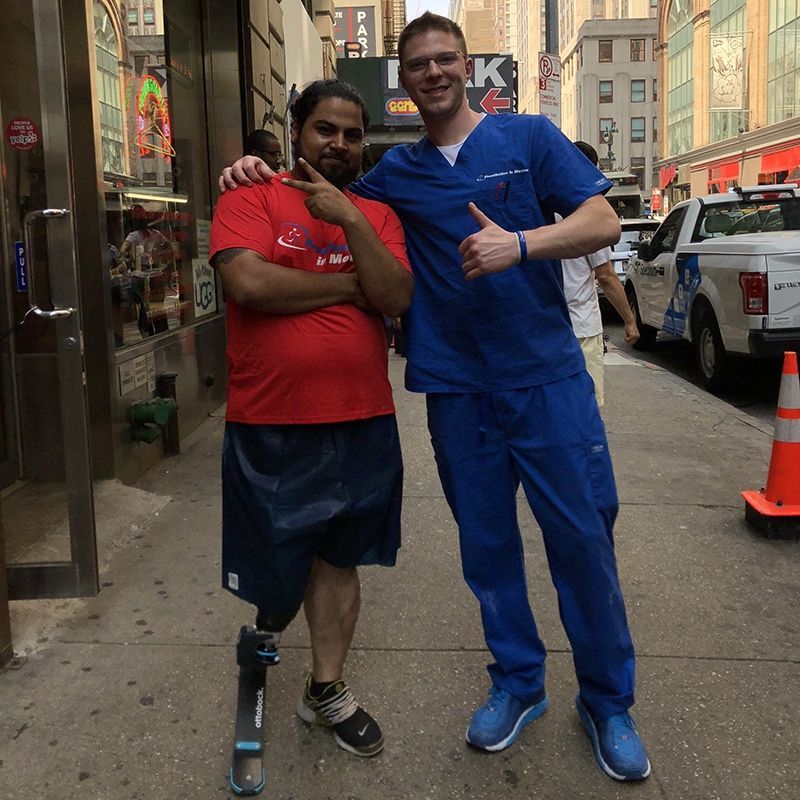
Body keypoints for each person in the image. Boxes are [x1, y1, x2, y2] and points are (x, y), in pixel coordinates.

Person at [219, 14, 650, 782]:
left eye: (445, 58)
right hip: (456, 391)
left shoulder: (527, 139)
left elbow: (601, 218)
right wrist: (248, 169)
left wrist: (520, 243)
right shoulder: (394, 174)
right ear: (405, 78)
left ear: (469, 67)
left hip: (546, 381)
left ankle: (608, 701)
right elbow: (332, 187)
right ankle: (518, 685)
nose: (433, 72)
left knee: (582, 544)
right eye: (417, 63)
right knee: (487, 553)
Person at [210, 79, 413, 758]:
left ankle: (325, 686)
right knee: (275, 569)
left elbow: (394, 296)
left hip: (362, 421)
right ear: (296, 131)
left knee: (340, 558)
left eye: (353, 135)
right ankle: (271, 615)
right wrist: (346, 285)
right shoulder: (248, 197)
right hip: (270, 422)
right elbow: (250, 284)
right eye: (326, 129)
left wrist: (351, 221)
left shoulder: (376, 217)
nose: (340, 145)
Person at [561, 142, 640, 406]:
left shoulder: (543, 208)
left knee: (557, 406)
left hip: (550, 327)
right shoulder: (587, 214)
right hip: (581, 327)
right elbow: (605, 275)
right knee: (585, 406)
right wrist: (629, 320)